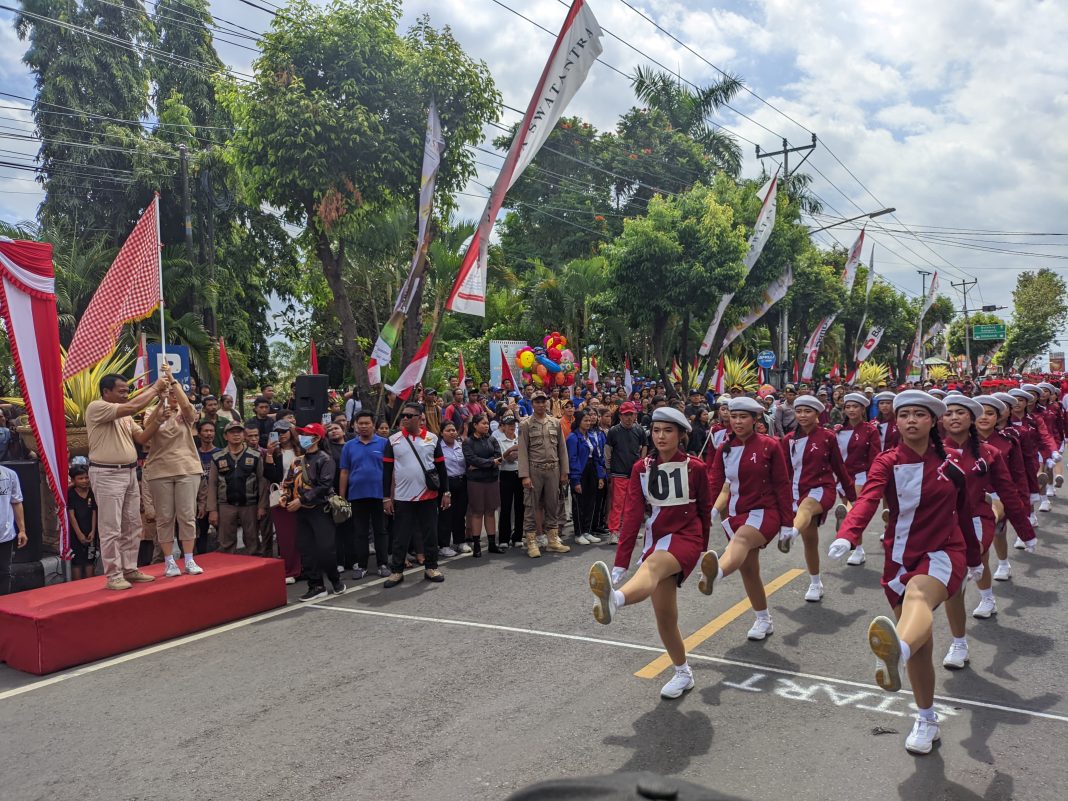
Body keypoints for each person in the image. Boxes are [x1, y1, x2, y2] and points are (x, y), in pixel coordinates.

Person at [829, 390, 980, 755]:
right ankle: (926, 718)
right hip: (898, 559)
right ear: (896, 422)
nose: (910, 420)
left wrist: (974, 560)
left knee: (918, 595)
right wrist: (849, 534)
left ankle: (894, 647)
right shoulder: (887, 462)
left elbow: (966, 512)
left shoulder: (954, 464)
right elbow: (867, 498)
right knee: (921, 650)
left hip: (944, 553)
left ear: (934, 421)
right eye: (904, 415)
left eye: (919, 414)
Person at [587, 407, 712, 699]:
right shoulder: (641, 468)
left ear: (681, 435)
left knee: (652, 568)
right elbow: (631, 514)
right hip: (657, 540)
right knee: (665, 617)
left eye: (668, 431)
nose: (661, 436)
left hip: (687, 539)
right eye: (656, 430)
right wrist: (621, 561)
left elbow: (704, 510)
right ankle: (683, 672)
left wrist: (703, 551)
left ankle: (614, 599)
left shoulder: (696, 467)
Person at [940, 393, 1036, 670]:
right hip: (942, 523)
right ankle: (977, 613)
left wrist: (1026, 530)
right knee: (955, 582)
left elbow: (1008, 488)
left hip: (980, 516)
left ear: (971, 417)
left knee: (963, 571)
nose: (954, 417)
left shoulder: (991, 451)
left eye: (961, 412)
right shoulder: (930, 452)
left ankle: (960, 640)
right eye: (948, 413)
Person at [699, 397, 794, 641]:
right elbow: (717, 484)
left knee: (740, 541)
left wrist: (787, 523)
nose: (738, 421)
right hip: (737, 513)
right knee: (749, 570)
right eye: (734, 416)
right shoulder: (724, 447)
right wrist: (708, 510)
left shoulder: (770, 445)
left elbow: (783, 485)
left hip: (765, 512)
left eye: (743, 417)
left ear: (755, 419)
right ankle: (763, 619)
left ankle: (716, 573)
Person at [85, 372, 169, 590]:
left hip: (130, 473)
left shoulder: (124, 415)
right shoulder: (97, 407)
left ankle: (130, 569)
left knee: (133, 524)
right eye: (121, 391)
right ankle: (113, 574)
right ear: (106, 392)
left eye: (127, 391)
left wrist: (158, 419)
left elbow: (141, 438)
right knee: (111, 528)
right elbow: (132, 406)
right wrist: (156, 387)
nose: (126, 395)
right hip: (106, 474)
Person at [777, 395, 855, 602]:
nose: (802, 415)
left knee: (807, 507)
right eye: (799, 411)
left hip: (822, 488)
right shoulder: (788, 440)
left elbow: (839, 466)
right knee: (810, 540)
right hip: (796, 491)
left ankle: (789, 533)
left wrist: (852, 497)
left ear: (817, 414)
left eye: (807, 411)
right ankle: (815, 582)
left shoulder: (827, 437)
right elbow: (783, 472)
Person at [382, 402, 450, 587]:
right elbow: (387, 471)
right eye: (403, 415)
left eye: (409, 415)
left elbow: (441, 468)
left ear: (420, 418)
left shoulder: (433, 439)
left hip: (428, 495)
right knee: (400, 535)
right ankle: (396, 571)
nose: (405, 418)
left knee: (430, 534)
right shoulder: (393, 440)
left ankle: (431, 567)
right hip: (403, 497)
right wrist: (386, 497)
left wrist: (446, 491)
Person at [142, 381, 206, 576]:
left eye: (174, 392)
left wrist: (173, 380)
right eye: (167, 392)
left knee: (187, 515)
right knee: (165, 518)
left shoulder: (186, 412)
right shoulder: (151, 411)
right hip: (160, 470)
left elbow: (188, 408)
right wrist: (160, 410)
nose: (171, 394)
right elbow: (147, 430)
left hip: (186, 468)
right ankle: (169, 561)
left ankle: (189, 559)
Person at [281, 423, 344, 600]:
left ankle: (335, 580)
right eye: (301, 435)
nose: (302, 438)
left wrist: (301, 500)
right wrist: (285, 497)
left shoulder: (325, 459)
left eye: (306, 435)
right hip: (301, 512)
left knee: (326, 549)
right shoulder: (297, 461)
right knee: (306, 550)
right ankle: (315, 585)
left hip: (320, 510)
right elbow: (288, 483)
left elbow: (324, 485)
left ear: (316, 438)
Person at [517, 390, 570, 558]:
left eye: (543, 401)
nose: (540, 404)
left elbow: (562, 448)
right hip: (535, 469)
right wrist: (525, 475)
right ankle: (531, 541)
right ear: (532, 404)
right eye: (537, 402)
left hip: (553, 469)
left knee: (553, 504)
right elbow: (523, 451)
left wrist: (564, 472)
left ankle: (552, 540)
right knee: (531, 506)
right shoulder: (525, 424)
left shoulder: (555, 423)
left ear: (547, 403)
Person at [339, 410, 391, 579]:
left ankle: (383, 563)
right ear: (355, 426)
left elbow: (391, 471)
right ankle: (361, 566)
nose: (363, 426)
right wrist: (342, 497)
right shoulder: (349, 446)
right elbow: (344, 472)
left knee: (380, 531)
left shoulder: (384, 444)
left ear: (373, 425)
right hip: (356, 495)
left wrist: (389, 495)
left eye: (366, 423)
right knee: (359, 532)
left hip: (379, 495)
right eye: (360, 423)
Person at [832, 392, 882, 566]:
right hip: (842, 477)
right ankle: (858, 548)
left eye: (855, 407)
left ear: (863, 409)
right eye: (848, 407)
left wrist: (874, 478)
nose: (851, 410)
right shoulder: (838, 430)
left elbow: (875, 456)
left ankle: (856, 546)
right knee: (853, 512)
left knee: (854, 510)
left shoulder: (870, 430)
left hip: (861, 475)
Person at [208, 420, 268, 556]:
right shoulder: (217, 457)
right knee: (225, 543)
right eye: (232, 432)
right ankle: (228, 570)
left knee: (252, 540)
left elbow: (262, 481)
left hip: (250, 505)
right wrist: (212, 510)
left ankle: (254, 570)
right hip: (226, 505)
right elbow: (212, 484)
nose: (236, 435)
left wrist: (262, 506)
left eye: (239, 432)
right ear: (225, 436)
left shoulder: (255, 456)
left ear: (244, 435)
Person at [263, 420, 302, 584]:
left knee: (303, 534)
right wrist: (269, 454)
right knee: (285, 536)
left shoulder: (301, 449)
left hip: (301, 495)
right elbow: (271, 475)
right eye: (278, 432)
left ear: (291, 431)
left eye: (284, 431)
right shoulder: (274, 453)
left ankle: (305, 567)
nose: (282, 434)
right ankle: (290, 570)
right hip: (280, 496)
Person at [604, 402, 647, 547]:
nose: (629, 417)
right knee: (617, 504)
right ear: (620, 416)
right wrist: (608, 468)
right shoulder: (613, 431)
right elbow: (608, 451)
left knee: (632, 504)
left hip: (634, 473)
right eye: (626, 415)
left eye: (631, 414)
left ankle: (627, 530)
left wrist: (642, 462)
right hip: (618, 472)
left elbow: (644, 446)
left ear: (635, 414)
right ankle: (614, 531)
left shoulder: (639, 430)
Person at [462, 414, 503, 556]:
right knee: (477, 512)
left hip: (491, 480)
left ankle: (492, 544)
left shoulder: (492, 439)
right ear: (475, 425)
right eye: (483, 423)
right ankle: (477, 545)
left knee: (490, 512)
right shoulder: (468, 442)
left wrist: (484, 464)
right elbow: (471, 459)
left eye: (487, 423)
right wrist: (491, 463)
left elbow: (498, 457)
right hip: (476, 482)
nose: (486, 425)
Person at [568, 410, 606, 546]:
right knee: (579, 503)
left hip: (592, 470)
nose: (589, 423)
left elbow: (597, 457)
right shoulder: (573, 438)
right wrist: (575, 479)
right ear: (578, 421)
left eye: (590, 420)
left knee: (591, 501)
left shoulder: (590, 436)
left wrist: (600, 476)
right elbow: (572, 459)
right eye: (586, 420)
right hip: (580, 471)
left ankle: (587, 531)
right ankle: (578, 533)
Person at [437, 420, 468, 558]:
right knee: (446, 515)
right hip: (446, 483)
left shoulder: (461, 446)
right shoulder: (437, 448)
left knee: (460, 514)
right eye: (448, 430)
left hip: (461, 482)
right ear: (441, 433)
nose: (452, 433)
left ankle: (460, 541)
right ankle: (444, 545)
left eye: (454, 430)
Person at [493, 415, 523, 549]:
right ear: (502, 426)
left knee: (520, 507)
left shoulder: (519, 438)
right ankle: (504, 538)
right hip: (505, 474)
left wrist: (515, 454)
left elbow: (524, 454)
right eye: (508, 424)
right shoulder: (497, 440)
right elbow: (500, 458)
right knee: (505, 507)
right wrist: (510, 451)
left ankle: (517, 536)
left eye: (513, 424)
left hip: (520, 473)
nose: (512, 426)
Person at [67, 464, 98, 581]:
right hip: (75, 534)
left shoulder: (92, 492)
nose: (84, 481)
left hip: (90, 532)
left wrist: (93, 531)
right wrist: (79, 534)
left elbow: (94, 512)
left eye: (86, 477)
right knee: (77, 562)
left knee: (90, 560)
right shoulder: (71, 494)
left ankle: (91, 585)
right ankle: (77, 588)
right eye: (80, 478)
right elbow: (71, 515)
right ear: (73, 480)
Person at [0, 462, 27, 595]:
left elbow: (16, 502)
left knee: (4, 572)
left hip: (5, 535)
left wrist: (22, 530)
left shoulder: (9, 474)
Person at [194, 421, 218, 554]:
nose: (209, 434)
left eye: (211, 431)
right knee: (201, 535)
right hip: (199, 501)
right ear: (199, 434)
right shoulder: (194, 455)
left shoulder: (220, 453)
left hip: (217, 500)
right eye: (205, 431)